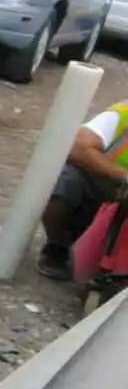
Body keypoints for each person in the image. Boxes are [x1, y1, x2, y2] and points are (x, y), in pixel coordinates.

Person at [38, 100, 128, 279]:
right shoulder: (123, 114)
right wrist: (122, 176)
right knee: (64, 180)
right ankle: (59, 246)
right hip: (104, 190)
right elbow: (78, 147)